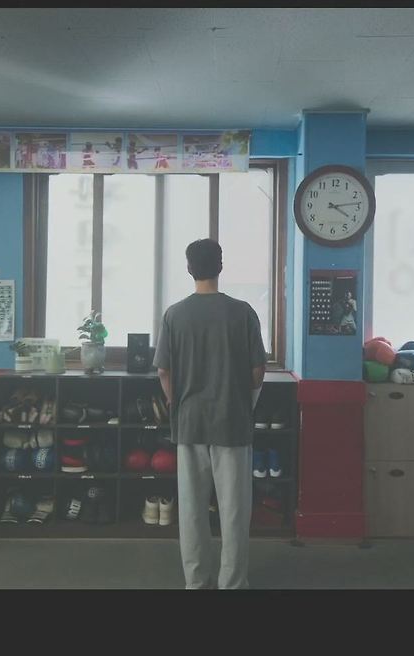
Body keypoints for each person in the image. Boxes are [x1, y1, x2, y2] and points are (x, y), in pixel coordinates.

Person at [154, 238, 266, 590]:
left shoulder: (174, 314)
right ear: (220, 266)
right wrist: (240, 396)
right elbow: (257, 373)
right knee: (234, 511)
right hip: (232, 420)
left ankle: (196, 581)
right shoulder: (243, 312)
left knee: (191, 508)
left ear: (189, 269)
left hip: (190, 422)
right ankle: (232, 582)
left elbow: (163, 371)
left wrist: (175, 402)